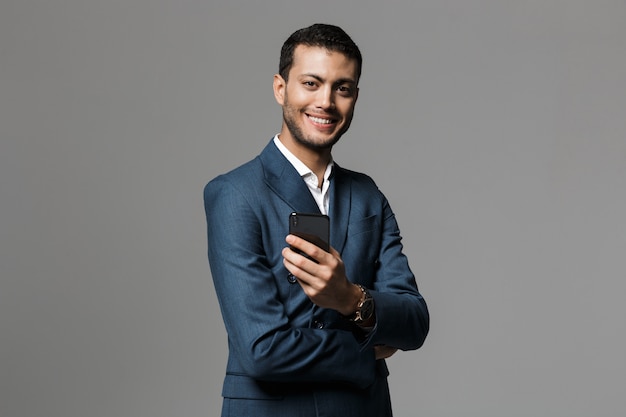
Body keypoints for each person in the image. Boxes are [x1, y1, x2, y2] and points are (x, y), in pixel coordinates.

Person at [204, 23, 429, 417]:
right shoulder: (235, 194)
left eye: (342, 88)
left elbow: (413, 321)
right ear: (280, 88)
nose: (325, 101)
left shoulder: (367, 195)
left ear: (354, 98)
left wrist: (348, 297)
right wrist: (367, 352)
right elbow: (263, 351)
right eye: (311, 83)